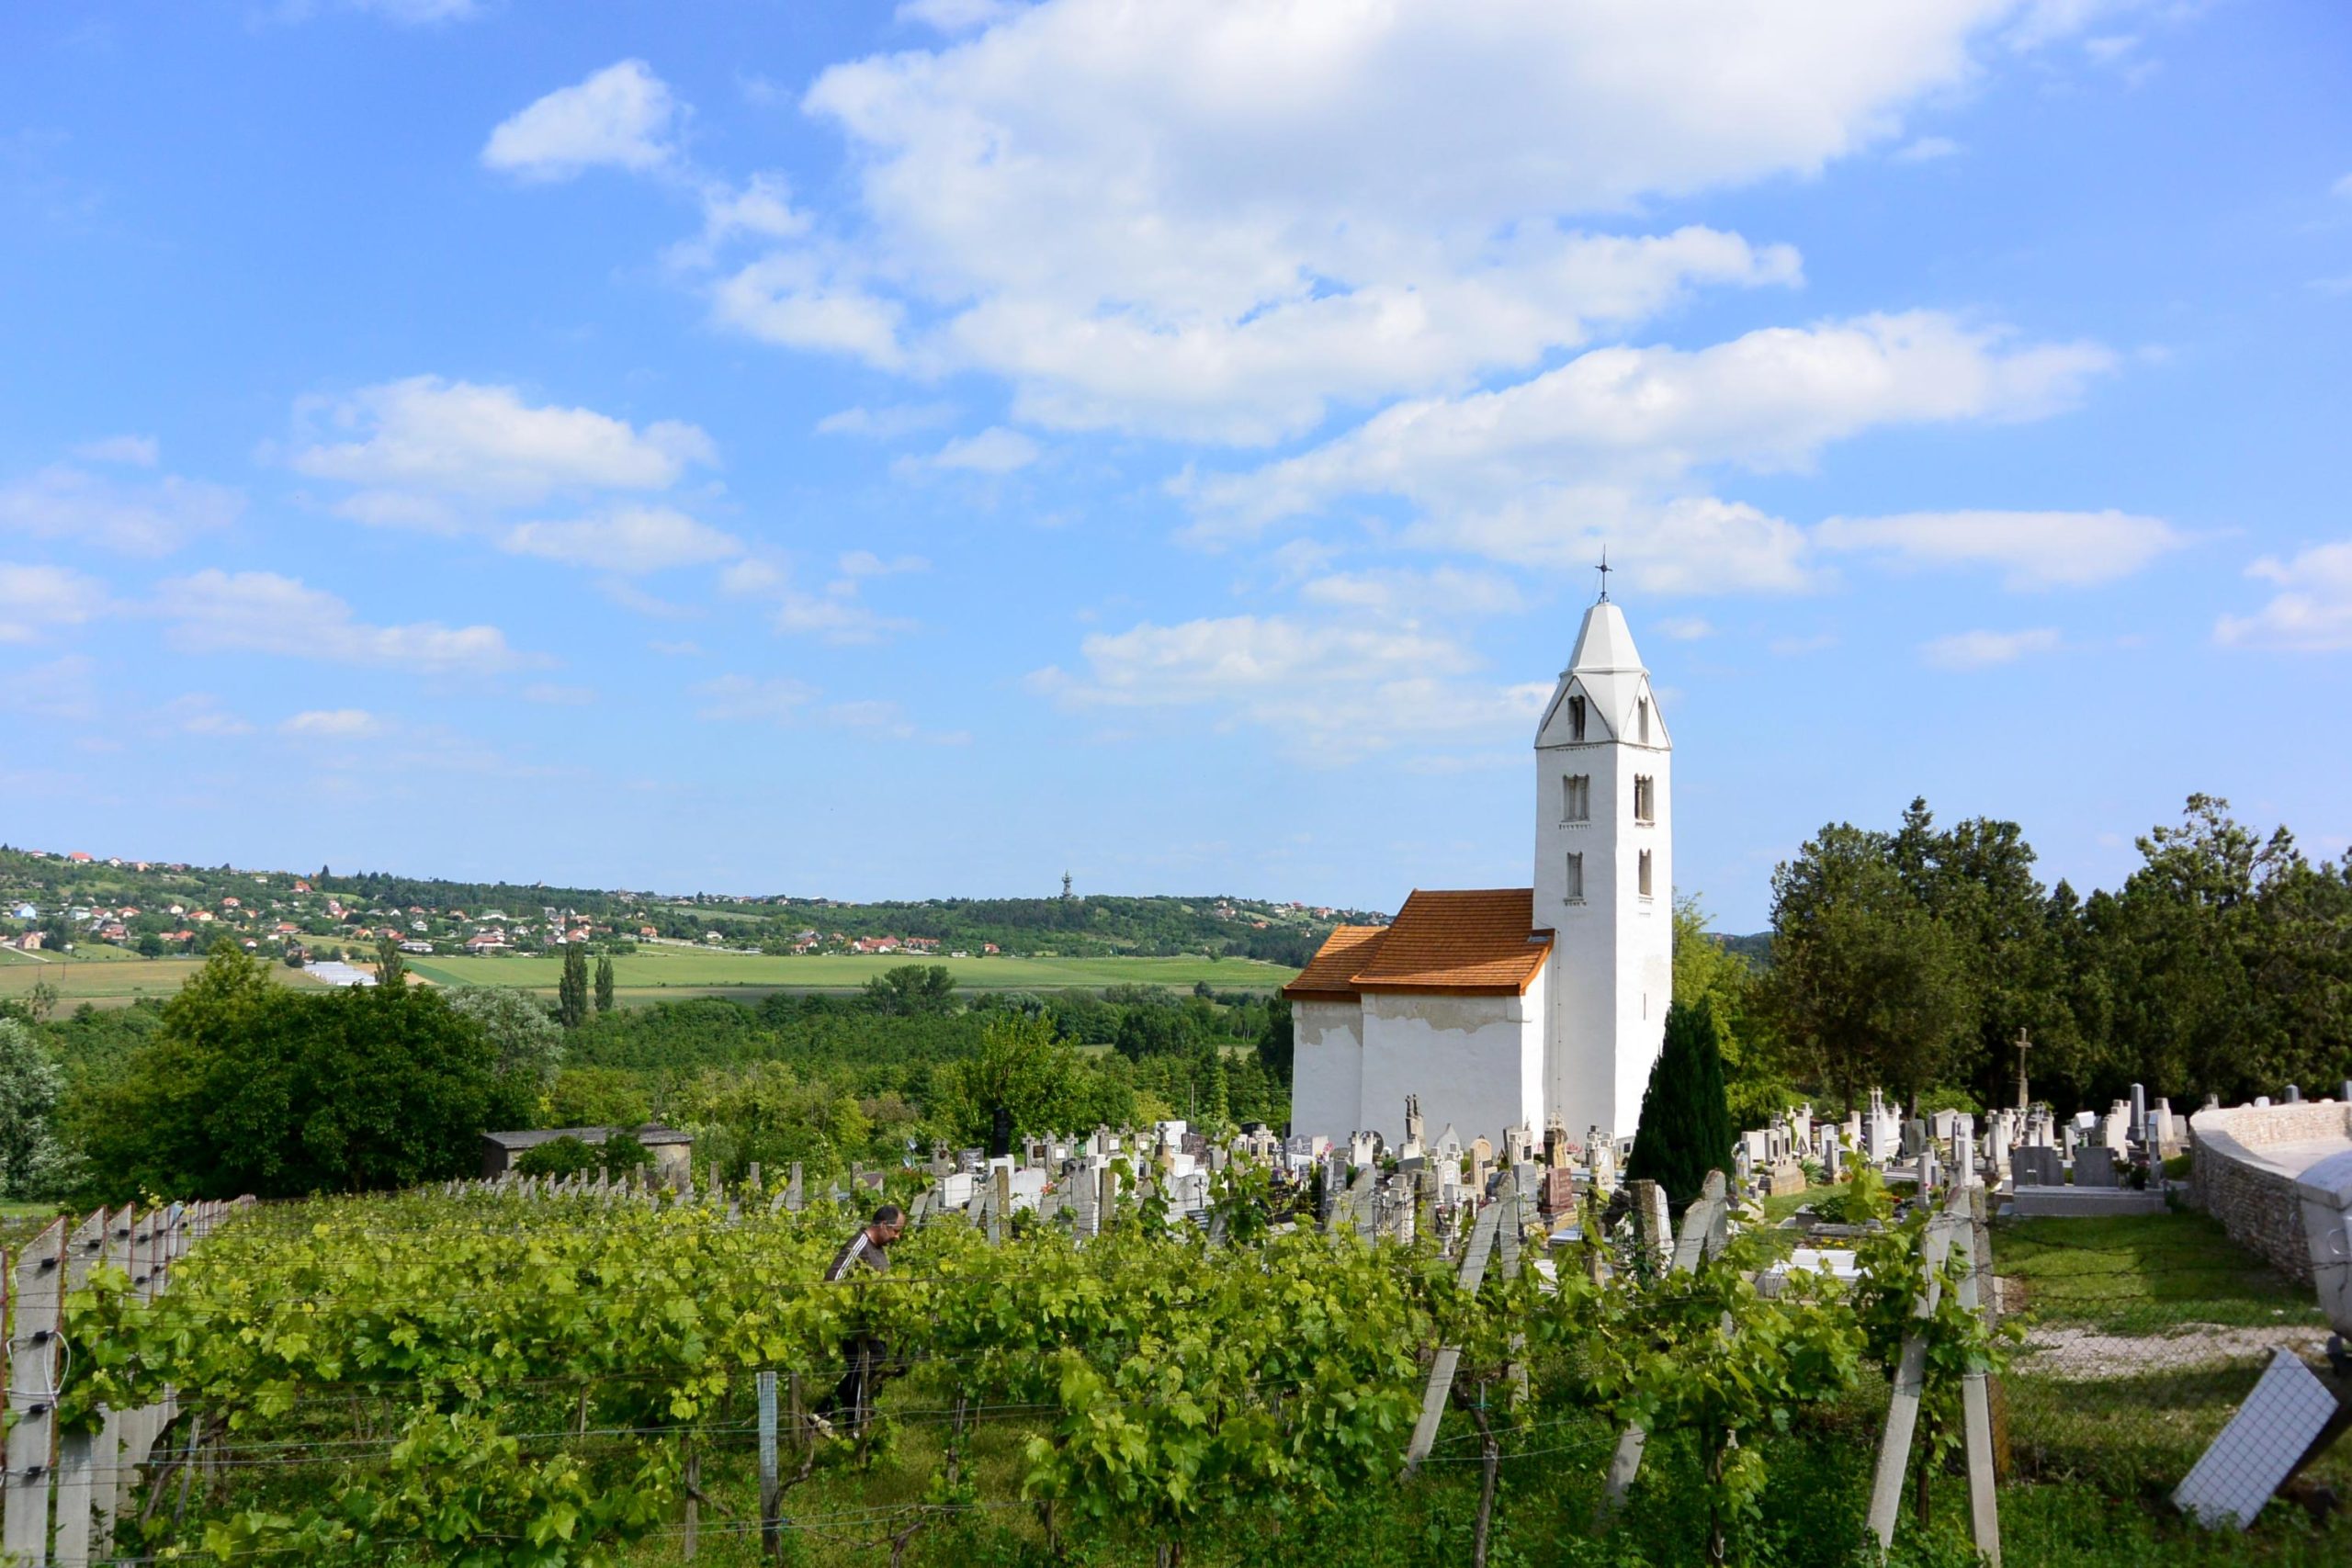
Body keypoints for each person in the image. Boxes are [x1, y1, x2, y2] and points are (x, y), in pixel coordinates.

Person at [821, 1204, 905, 1434]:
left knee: (868, 1370)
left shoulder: (878, 1249)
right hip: (856, 1326)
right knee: (865, 1370)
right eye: (896, 1230)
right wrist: (853, 1307)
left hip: (872, 1327)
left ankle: (827, 1416)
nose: (898, 1237)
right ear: (881, 1225)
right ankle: (852, 1428)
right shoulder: (858, 1244)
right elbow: (832, 1279)